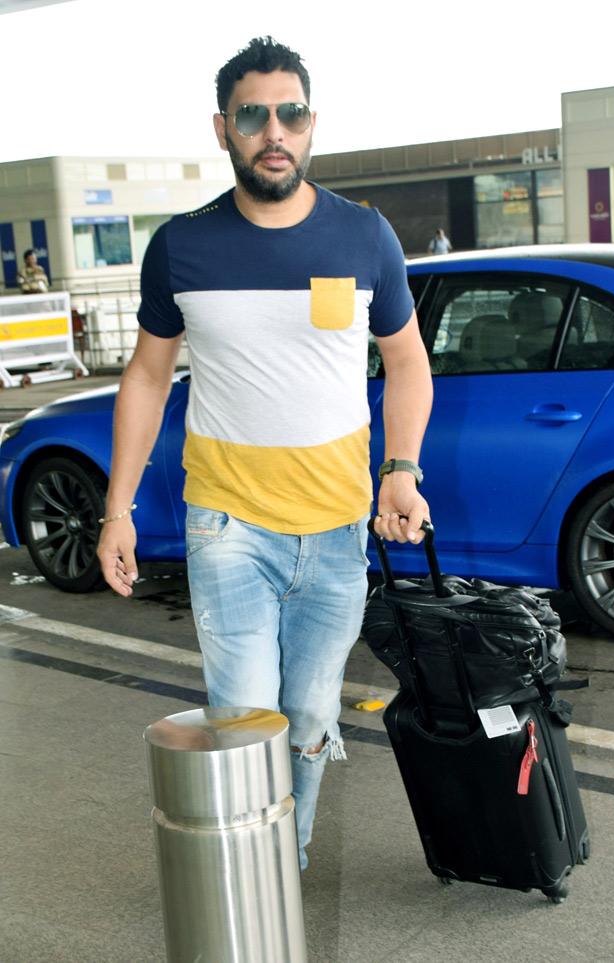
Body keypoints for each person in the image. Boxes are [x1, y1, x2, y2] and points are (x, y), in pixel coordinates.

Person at [96, 36, 433, 870]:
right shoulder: (182, 245)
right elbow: (145, 377)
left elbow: (408, 360)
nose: (273, 130)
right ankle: (251, 883)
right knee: (244, 719)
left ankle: (286, 861)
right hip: (228, 525)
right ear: (224, 129)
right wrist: (117, 512)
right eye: (254, 115)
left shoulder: (364, 236)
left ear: (312, 123)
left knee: (312, 719)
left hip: (334, 529)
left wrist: (401, 468)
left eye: (290, 113)